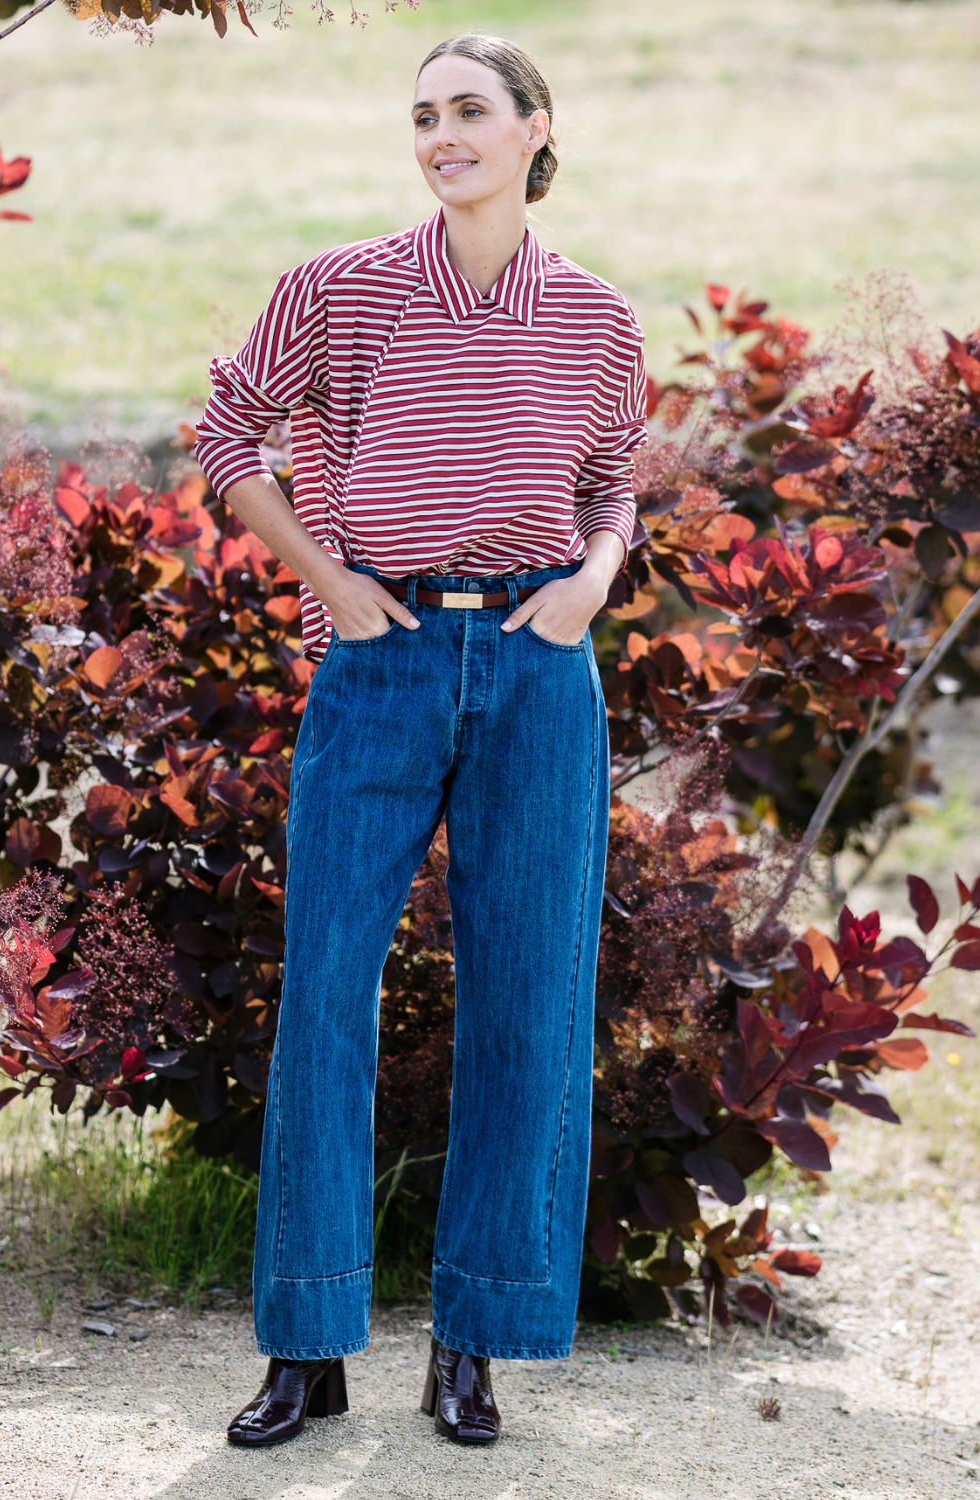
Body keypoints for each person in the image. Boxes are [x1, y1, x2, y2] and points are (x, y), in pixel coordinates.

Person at [194, 30, 646, 1449]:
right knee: (325, 993)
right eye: (423, 117)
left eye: (468, 112)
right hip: (378, 665)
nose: (442, 136)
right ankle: (308, 1348)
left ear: (533, 129)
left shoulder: (598, 317)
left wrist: (589, 586)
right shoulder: (336, 291)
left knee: (526, 1004)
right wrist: (326, 580)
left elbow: (615, 482)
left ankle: (476, 1344)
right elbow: (227, 435)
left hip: (536, 670)